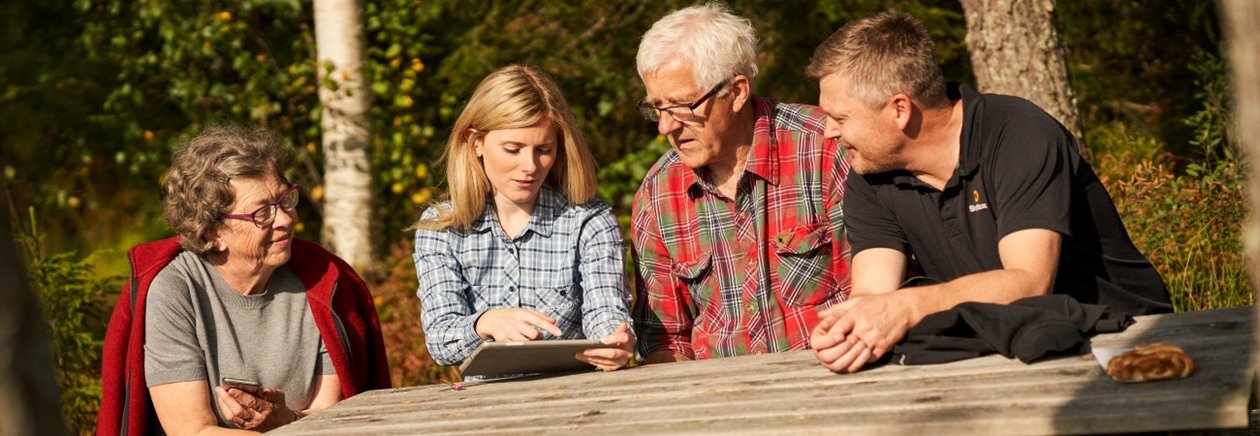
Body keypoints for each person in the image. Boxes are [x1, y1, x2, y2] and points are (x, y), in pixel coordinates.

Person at [805, 11, 1172, 374]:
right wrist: (850, 328)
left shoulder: (1018, 134)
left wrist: (906, 307)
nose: (829, 132)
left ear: (899, 109)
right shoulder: (869, 174)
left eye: (841, 118)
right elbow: (873, 292)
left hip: (1128, 338)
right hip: (1005, 349)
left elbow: (1028, 281)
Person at [97, 125, 391, 436]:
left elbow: (330, 418)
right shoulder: (175, 290)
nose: (285, 219)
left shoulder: (325, 283)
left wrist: (285, 420)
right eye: (261, 213)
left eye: (285, 199)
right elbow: (192, 431)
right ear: (213, 232)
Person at [630, 3, 852, 364]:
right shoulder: (658, 193)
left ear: (736, 92)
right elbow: (665, 342)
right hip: (718, 400)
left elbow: (872, 297)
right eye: (657, 107)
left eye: (681, 106)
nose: (665, 127)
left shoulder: (826, 149)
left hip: (831, 376)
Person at [412, 65, 635, 375]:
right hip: (483, 407)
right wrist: (486, 323)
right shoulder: (441, 229)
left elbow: (605, 311)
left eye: (544, 150)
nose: (529, 166)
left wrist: (614, 342)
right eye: (512, 149)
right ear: (475, 141)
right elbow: (439, 339)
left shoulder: (590, 220)